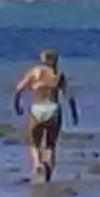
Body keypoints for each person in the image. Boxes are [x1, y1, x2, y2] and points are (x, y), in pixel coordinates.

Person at [12, 48, 79, 182]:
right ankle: (47, 166)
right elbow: (69, 96)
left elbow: (18, 89)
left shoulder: (35, 72)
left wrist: (17, 106)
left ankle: (37, 164)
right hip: (53, 109)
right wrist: (74, 113)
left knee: (34, 144)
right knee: (50, 145)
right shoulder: (58, 74)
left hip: (37, 108)